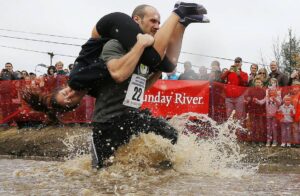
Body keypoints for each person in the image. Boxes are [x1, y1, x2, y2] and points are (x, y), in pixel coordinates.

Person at [22, 2, 209, 168]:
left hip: (110, 29)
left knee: (156, 62)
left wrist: (154, 63)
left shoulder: (78, 78)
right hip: (108, 123)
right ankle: (182, 20)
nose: (157, 26)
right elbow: (123, 77)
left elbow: (129, 76)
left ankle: (179, 16)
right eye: (153, 21)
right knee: (100, 171)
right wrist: (156, 68)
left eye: (65, 93)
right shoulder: (104, 61)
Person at [254, 78, 282, 147]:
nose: (272, 83)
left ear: (276, 83)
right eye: (271, 82)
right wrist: (257, 100)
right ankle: (268, 141)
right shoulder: (267, 94)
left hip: (275, 114)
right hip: (268, 114)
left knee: (274, 128)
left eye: (274, 82)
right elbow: (262, 102)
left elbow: (279, 103)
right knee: (268, 128)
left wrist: (274, 98)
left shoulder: (278, 92)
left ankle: (274, 141)